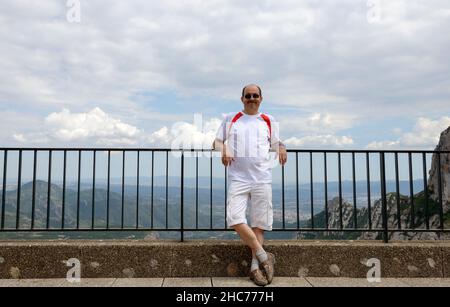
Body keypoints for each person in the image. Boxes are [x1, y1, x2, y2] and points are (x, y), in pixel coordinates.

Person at [213, 84, 287, 286]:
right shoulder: (231, 118)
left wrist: (281, 147)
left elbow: (275, 143)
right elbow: (216, 142)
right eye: (248, 96)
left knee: (259, 225)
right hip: (238, 178)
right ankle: (265, 256)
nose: (251, 98)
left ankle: (255, 269)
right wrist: (224, 147)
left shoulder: (269, 120)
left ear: (261, 98)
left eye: (255, 95)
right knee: (235, 218)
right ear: (242, 98)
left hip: (262, 178)